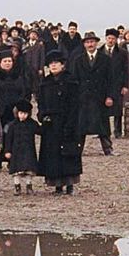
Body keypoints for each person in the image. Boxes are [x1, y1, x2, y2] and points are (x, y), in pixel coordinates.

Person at [37, 50, 82, 195]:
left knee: (68, 152)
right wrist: (42, 115)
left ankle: (69, 185)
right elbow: (41, 102)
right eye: (51, 63)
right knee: (53, 154)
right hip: (51, 124)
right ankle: (57, 185)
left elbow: (75, 105)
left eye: (56, 63)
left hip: (68, 121)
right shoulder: (45, 82)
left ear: (62, 65)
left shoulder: (71, 81)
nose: (53, 66)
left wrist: (71, 123)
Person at [71, 31, 115, 155]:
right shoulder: (78, 60)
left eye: (92, 42)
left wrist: (110, 96)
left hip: (100, 97)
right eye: (87, 42)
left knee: (103, 125)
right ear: (84, 44)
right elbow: (74, 80)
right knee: (81, 126)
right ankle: (78, 150)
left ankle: (108, 149)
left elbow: (111, 79)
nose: (90, 44)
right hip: (83, 98)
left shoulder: (105, 59)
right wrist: (74, 97)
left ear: (96, 43)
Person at [4, 99, 40, 196]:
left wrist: (47, 125)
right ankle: (17, 187)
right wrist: (7, 151)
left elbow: (40, 131)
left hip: (29, 151)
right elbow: (8, 139)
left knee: (29, 170)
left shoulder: (32, 124)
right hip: (16, 151)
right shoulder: (12, 125)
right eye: (21, 113)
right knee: (16, 171)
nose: (23, 115)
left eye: (25, 113)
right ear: (17, 113)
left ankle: (29, 186)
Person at [100, 28, 129, 139]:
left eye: (113, 38)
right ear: (105, 38)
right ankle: (103, 131)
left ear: (116, 39)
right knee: (102, 109)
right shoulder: (100, 51)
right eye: (109, 38)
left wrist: (125, 85)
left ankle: (118, 131)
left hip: (118, 84)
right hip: (103, 85)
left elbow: (126, 70)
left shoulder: (122, 53)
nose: (111, 40)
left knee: (117, 109)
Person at [23, 28, 45, 98]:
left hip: (36, 67)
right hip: (27, 67)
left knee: (36, 83)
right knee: (28, 83)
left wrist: (41, 68)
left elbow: (42, 58)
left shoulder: (40, 46)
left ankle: (36, 96)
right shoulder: (25, 45)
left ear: (37, 36)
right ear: (29, 35)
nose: (33, 35)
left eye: (35, 34)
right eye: (32, 34)